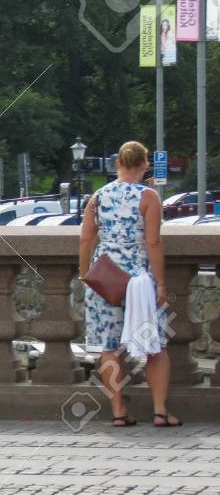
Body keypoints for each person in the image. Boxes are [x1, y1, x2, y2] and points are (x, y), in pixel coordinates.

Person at [79, 140, 179, 428]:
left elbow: (86, 239)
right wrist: (161, 284)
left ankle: (119, 412)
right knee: (155, 345)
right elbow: (153, 242)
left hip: (105, 278)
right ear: (144, 164)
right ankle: (160, 411)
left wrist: (85, 273)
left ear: (117, 165)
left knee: (109, 348)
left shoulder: (97, 196)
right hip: (139, 281)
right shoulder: (148, 197)